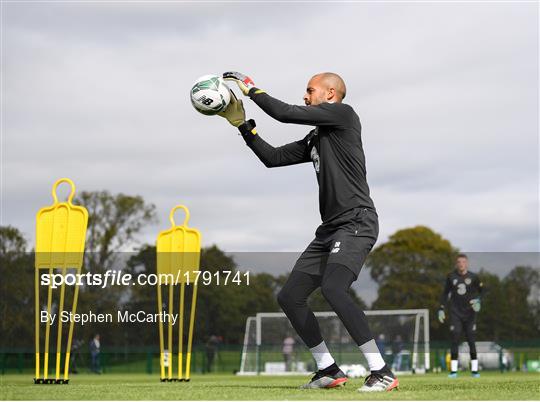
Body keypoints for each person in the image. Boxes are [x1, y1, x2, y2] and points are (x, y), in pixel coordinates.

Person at [219, 72, 398, 392]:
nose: (305, 96)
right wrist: (243, 127)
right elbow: (272, 158)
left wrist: (252, 90)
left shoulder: (344, 115)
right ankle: (327, 369)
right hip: (329, 230)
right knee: (290, 297)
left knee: (334, 288)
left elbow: (286, 113)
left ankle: (381, 370)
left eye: (309, 90)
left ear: (331, 94)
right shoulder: (316, 138)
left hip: (356, 222)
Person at [438, 253, 483, 378]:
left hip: (470, 314)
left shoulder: (474, 277)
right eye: (459, 262)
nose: (461, 264)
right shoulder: (451, 276)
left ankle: (474, 370)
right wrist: (441, 308)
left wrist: (479, 300)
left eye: (463, 262)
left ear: (466, 263)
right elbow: (445, 293)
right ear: (456, 264)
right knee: (455, 339)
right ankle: (453, 371)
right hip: (455, 313)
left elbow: (482, 292)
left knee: (471, 340)